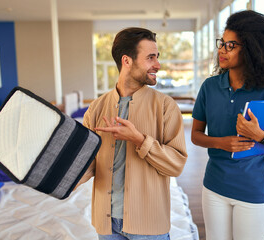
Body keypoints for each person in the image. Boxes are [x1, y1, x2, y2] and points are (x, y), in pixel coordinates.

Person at [191, 10, 264, 240]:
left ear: (250, 50)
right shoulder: (209, 87)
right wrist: (221, 143)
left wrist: (261, 135)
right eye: (222, 43)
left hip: (253, 193)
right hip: (214, 188)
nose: (222, 50)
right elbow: (196, 135)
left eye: (231, 45)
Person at [76, 27, 187, 239]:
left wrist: (139, 139)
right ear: (127, 61)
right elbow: (89, 164)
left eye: (157, 57)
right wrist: (58, 180)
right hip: (107, 224)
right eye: (151, 57)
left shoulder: (165, 106)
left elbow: (176, 164)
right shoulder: (96, 108)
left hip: (148, 225)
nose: (158, 64)